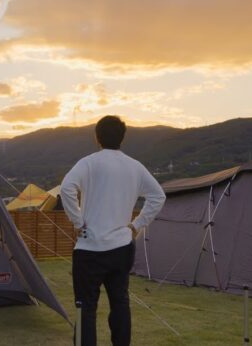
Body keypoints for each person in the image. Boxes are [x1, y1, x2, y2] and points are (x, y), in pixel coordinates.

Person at [61, 115, 165, 346]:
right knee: (120, 302)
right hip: (121, 247)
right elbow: (158, 196)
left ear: (97, 137)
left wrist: (78, 223)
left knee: (85, 307)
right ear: (122, 137)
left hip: (90, 247)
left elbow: (67, 188)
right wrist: (136, 225)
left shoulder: (88, 162)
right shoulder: (134, 166)